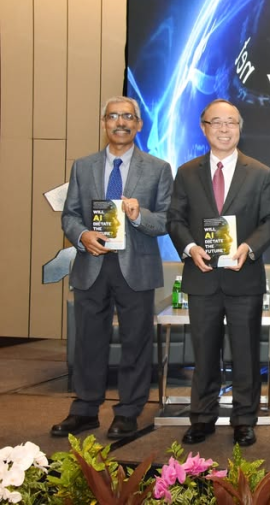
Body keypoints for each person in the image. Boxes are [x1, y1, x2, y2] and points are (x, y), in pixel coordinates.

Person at [53, 96, 173, 439]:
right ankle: (84, 410)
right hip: (92, 264)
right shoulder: (83, 166)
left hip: (136, 267)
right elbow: (70, 215)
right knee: (89, 341)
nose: (121, 122)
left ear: (139, 124)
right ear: (104, 122)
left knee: (136, 341)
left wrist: (138, 216)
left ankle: (128, 412)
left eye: (128, 116)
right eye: (113, 116)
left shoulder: (158, 168)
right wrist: (82, 235)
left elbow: (167, 219)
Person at [167, 99, 270, 447]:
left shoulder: (260, 173)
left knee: (246, 353)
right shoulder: (187, 172)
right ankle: (202, 417)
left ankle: (244, 419)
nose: (224, 128)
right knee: (203, 353)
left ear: (240, 128)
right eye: (216, 122)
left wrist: (249, 247)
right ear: (204, 128)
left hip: (243, 276)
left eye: (231, 122)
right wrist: (190, 248)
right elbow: (175, 219)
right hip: (201, 275)